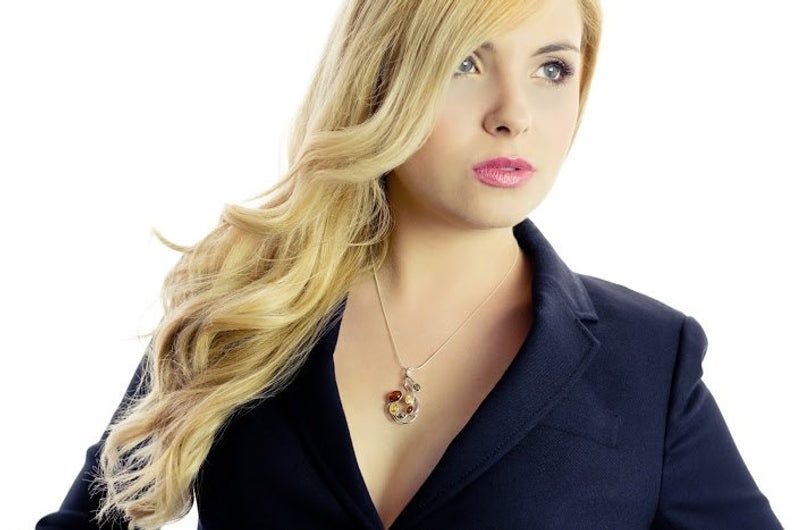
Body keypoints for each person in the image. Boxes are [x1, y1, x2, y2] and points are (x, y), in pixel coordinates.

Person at [36, 0, 783, 528]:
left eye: (552, 69)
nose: (513, 114)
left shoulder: (648, 359)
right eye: (465, 62)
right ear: (382, 79)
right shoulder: (243, 312)